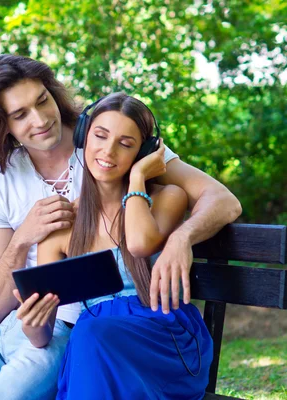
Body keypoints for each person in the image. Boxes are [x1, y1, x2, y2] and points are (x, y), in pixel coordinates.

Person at [0, 54, 240, 399]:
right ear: (3, 126)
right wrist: (23, 238)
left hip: (70, 332)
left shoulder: (103, 143)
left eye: (42, 101)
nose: (40, 119)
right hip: (20, 326)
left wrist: (182, 238)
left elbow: (222, 200)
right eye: (20, 114)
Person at [14, 92, 213, 399]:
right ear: (83, 137)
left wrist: (136, 179)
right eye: (100, 136)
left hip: (162, 337)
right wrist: (32, 324)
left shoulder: (167, 198)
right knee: (88, 335)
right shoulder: (62, 226)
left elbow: (138, 243)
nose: (108, 151)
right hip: (96, 346)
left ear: (142, 153)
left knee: (90, 334)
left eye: (126, 144)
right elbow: (42, 337)